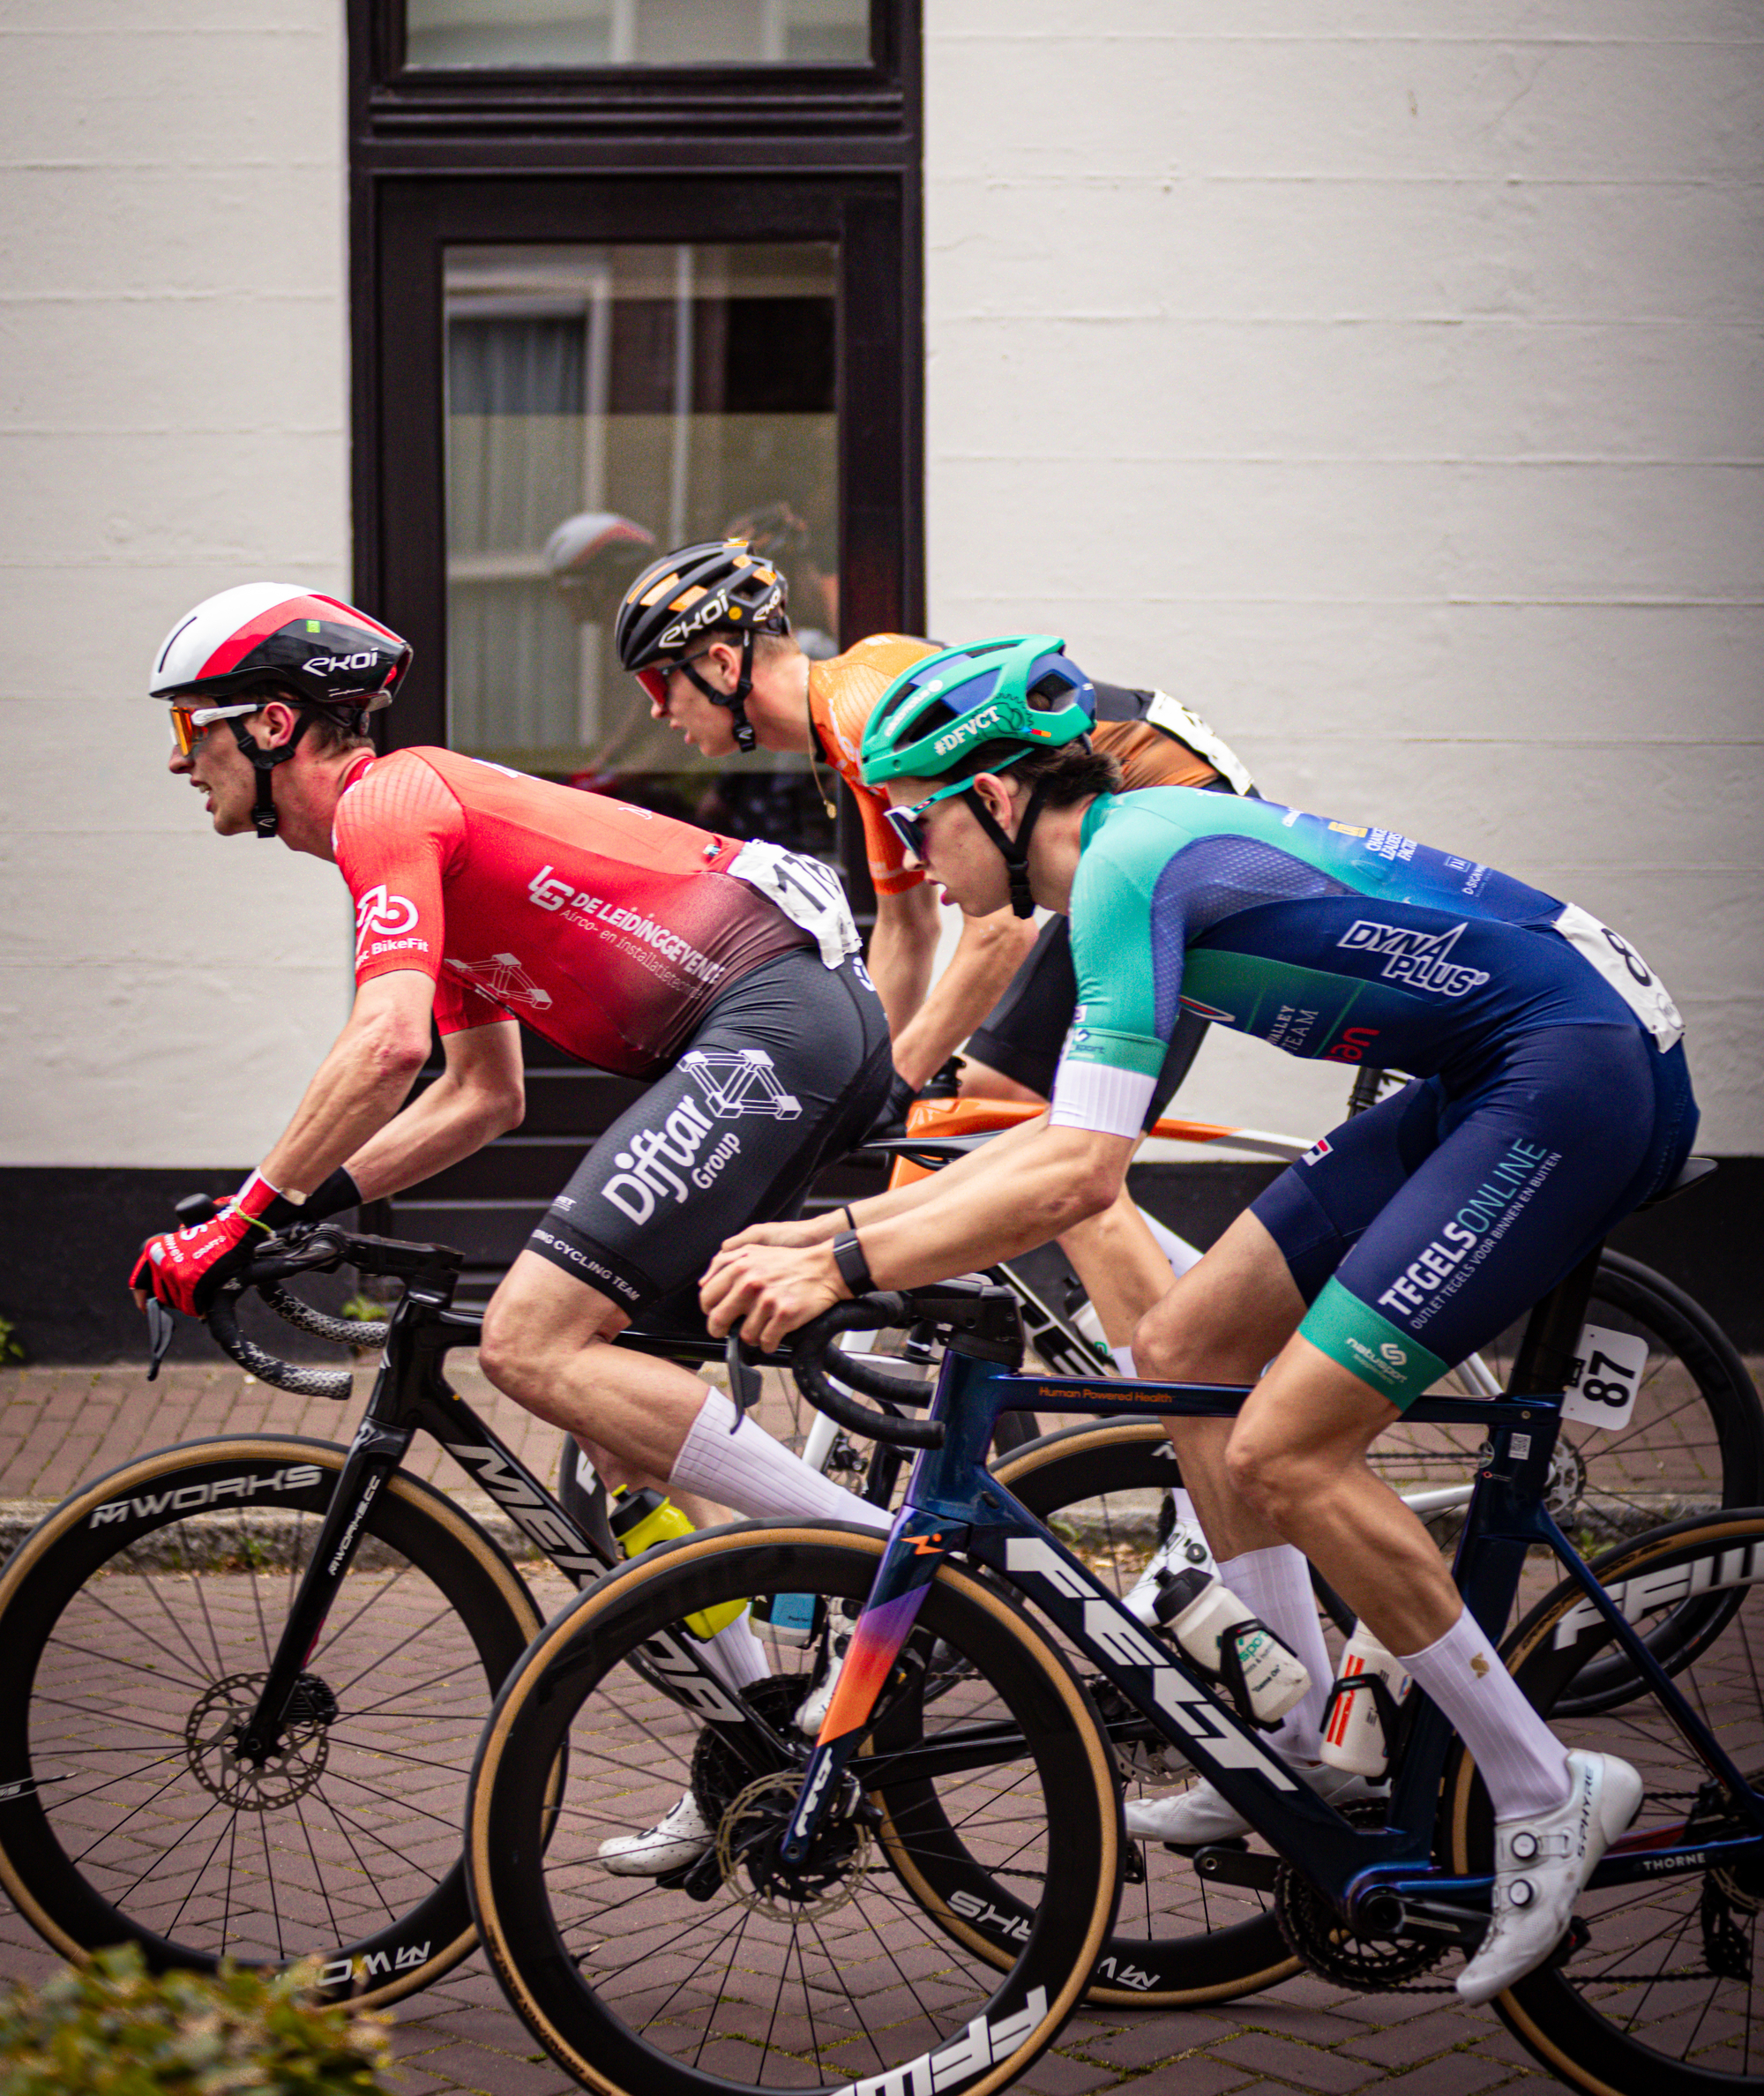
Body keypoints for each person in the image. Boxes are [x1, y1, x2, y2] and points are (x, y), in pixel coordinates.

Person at [702, 634, 1698, 2003]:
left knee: (1290, 1447)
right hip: (1492, 1066)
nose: (916, 849)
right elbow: (1054, 1145)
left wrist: (850, 1258)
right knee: (1180, 1352)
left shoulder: (1123, 866)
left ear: (998, 799)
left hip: (1575, 1073)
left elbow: (1078, 1173)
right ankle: (1296, 1726)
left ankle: (1545, 1782)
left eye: (926, 813)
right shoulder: (1114, 866)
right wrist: (830, 1236)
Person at [134, 580, 896, 1867]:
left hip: (770, 1021)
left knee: (531, 1345)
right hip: (766, 1033)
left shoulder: (386, 802)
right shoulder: (407, 837)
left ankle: (909, 1571)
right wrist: (301, 1209)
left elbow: (379, 1044)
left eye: (188, 730)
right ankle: (762, 1737)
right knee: (611, 1437)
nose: (176, 762)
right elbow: (480, 1096)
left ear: (267, 726)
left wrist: (242, 1215)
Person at [613, 535, 1255, 1353]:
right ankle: (1176, 1346)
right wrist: (861, 1072)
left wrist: (895, 1078)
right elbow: (908, 933)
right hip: (1132, 848)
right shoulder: (847, 719)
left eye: (655, 683)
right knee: (995, 1124)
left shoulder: (863, 705)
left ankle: (1176, 1418)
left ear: (720, 664)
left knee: (1028, 1142)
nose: (657, 712)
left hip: (1171, 842)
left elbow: (1000, 935)